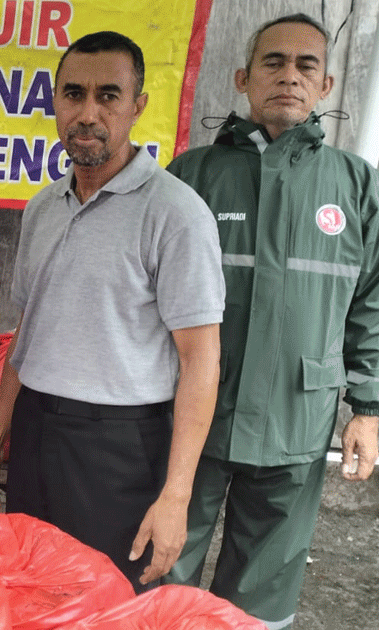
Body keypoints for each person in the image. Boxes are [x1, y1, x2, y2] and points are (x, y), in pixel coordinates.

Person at [0, 31, 225, 592]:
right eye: (73, 94)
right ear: (54, 102)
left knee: (106, 603)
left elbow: (201, 362)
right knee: (31, 592)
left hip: (121, 450)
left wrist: (176, 496)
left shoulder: (176, 213)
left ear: (138, 106)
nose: (88, 113)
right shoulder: (43, 208)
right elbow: (26, 335)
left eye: (108, 95)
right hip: (36, 432)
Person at [161, 14, 379, 628]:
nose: (289, 76)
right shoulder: (192, 175)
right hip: (190, 418)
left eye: (306, 65)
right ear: (243, 77)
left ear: (327, 85)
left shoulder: (356, 186)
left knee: (262, 597)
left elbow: (372, 302)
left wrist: (369, 406)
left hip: (297, 419)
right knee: (162, 571)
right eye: (273, 62)